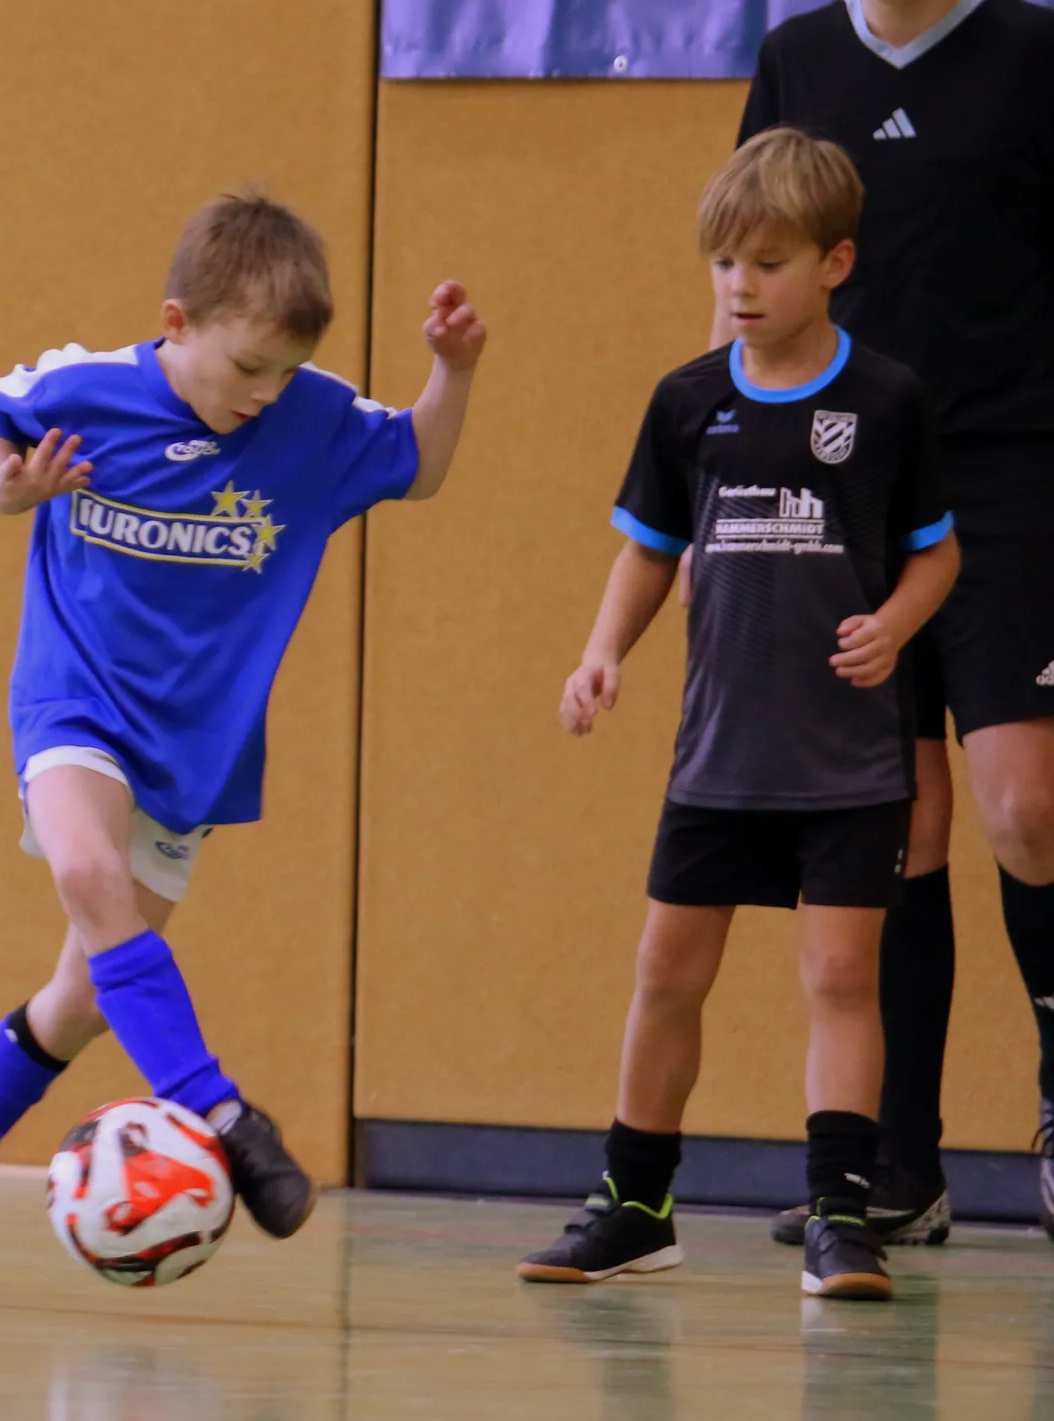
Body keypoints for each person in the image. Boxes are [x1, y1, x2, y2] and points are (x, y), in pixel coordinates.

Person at [0, 192, 486, 1295]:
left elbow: (420, 463)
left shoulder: (311, 421)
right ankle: (222, 1113)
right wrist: (8, 490)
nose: (264, 392)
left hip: (193, 744)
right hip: (73, 701)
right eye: (247, 366)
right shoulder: (88, 387)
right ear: (175, 323)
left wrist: (454, 371)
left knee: (83, 998)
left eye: (284, 371)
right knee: (85, 869)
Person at [516, 129, 958, 1300]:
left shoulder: (883, 400)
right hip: (717, 756)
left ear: (833, 263)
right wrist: (599, 653)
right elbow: (647, 550)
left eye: (766, 262)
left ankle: (839, 1216)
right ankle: (633, 1203)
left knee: (840, 976)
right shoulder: (686, 402)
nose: (739, 286)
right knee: (664, 969)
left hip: (849, 762)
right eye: (723, 263)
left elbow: (935, 551)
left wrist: (894, 626)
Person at [730, 0, 1054, 1247]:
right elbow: (749, 265)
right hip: (849, 485)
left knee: (1023, 805)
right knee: (899, 823)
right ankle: (899, 1164)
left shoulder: (1031, 52)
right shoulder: (796, 58)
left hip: (1014, 471)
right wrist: (728, 470)